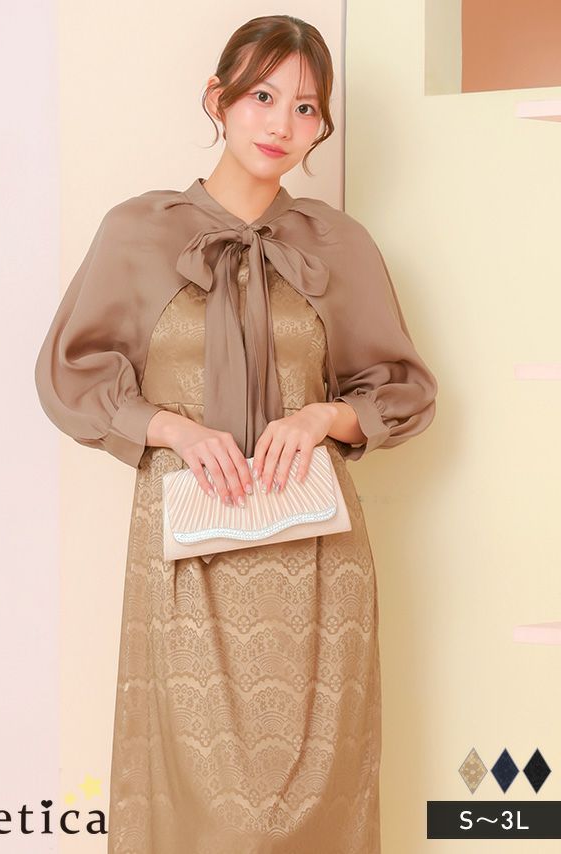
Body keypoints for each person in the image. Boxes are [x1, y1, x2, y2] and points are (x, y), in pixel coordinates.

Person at [35, 14, 438, 854]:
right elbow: (72, 374)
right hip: (189, 556)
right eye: (262, 96)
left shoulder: (339, 244)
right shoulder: (138, 232)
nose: (281, 123)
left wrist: (323, 416)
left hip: (318, 564)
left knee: (319, 807)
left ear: (321, 127)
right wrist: (170, 428)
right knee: (202, 807)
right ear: (217, 98)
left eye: (305, 107)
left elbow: (400, 388)